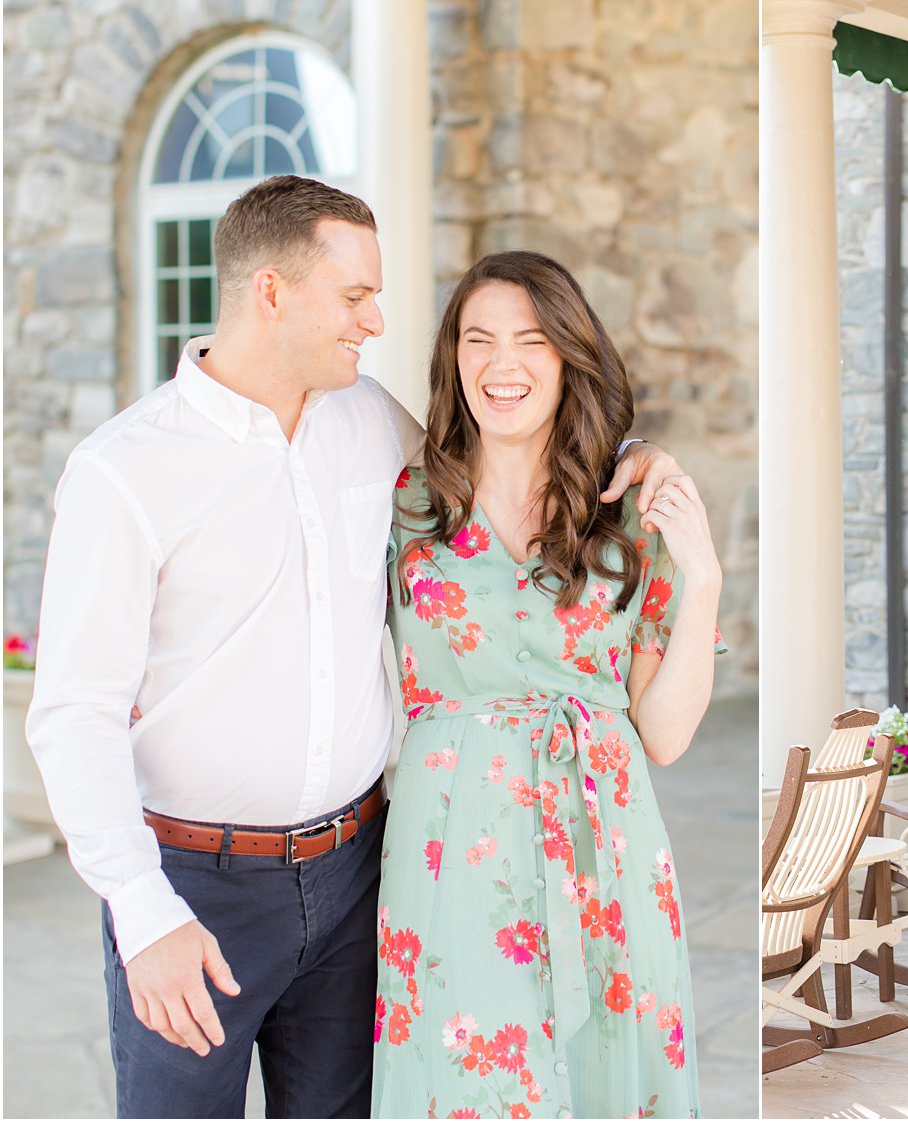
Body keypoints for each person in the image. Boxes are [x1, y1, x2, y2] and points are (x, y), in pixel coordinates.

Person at [25, 176, 680, 1118]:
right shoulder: (125, 471)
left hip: (357, 878)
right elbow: (74, 711)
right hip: (196, 890)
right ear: (273, 294)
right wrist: (140, 906)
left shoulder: (369, 422)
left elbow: (504, 468)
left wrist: (634, 460)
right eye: (355, 295)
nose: (376, 320)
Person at [371, 251, 721, 1119]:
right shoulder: (405, 500)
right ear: (453, 357)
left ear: (570, 357)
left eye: (532, 340)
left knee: (607, 1069)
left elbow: (667, 734)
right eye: (479, 339)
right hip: (451, 842)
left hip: (604, 841)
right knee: (465, 1077)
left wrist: (705, 577)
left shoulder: (628, 509)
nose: (502, 364)